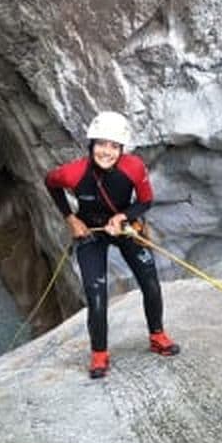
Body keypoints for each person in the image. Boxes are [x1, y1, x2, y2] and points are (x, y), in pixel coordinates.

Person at [45, 111, 180, 379]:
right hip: (90, 232)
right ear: (91, 144)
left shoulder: (133, 167)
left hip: (124, 227)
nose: (107, 152)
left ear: (121, 149)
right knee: (96, 294)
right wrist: (71, 219)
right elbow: (50, 183)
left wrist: (123, 217)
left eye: (114, 146)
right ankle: (99, 353)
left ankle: (157, 336)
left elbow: (145, 201)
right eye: (101, 144)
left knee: (150, 282)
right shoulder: (73, 173)